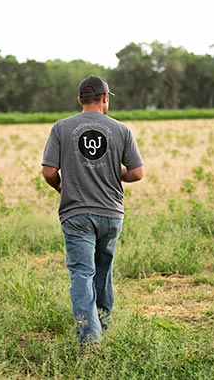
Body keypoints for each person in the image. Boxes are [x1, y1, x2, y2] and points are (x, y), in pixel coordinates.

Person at [42, 75, 144, 346]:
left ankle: (91, 340)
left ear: (79, 100)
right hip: (112, 214)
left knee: (81, 273)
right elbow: (137, 173)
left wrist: (62, 188)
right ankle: (103, 324)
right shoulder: (121, 130)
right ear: (105, 98)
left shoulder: (61, 128)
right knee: (103, 271)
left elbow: (49, 171)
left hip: (76, 214)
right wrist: (113, 171)